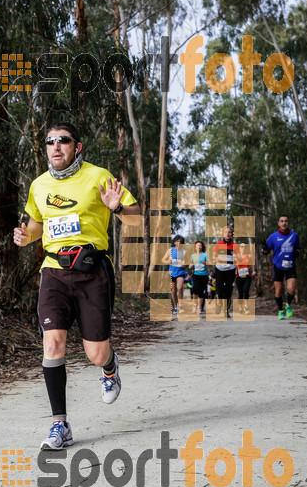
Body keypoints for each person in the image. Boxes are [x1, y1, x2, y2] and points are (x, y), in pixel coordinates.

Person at [13, 121, 140, 450]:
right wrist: (26, 236)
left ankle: (109, 368)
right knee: (52, 346)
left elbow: (137, 217)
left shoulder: (99, 176)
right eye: (50, 142)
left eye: (63, 141)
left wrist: (116, 207)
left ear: (77, 146)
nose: (56, 147)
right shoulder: (39, 186)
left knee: (95, 353)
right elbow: (36, 226)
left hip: (92, 271)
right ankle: (60, 424)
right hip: (53, 271)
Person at [262, 215, 301, 319]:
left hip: (291, 266)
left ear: (288, 223)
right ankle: (280, 310)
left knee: (291, 289)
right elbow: (265, 252)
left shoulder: (294, 235)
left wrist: (297, 253)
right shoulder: (273, 236)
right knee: (278, 291)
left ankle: (288, 305)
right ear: (279, 223)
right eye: (282, 221)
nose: (284, 223)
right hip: (278, 266)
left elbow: (298, 249)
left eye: (286, 221)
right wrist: (264, 248)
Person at [212, 225, 239, 318]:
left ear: (232, 234)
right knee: (220, 290)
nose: (228, 234)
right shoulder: (218, 244)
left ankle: (226, 310)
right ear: (223, 234)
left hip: (230, 270)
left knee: (228, 291)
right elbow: (214, 256)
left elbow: (238, 257)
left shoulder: (235, 245)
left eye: (229, 232)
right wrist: (217, 259)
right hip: (220, 269)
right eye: (226, 232)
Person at [163, 235, 188, 314]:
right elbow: (163, 259)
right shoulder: (170, 250)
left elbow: (188, 261)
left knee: (180, 287)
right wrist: (168, 262)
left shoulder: (184, 252)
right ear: (174, 242)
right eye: (177, 241)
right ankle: (175, 306)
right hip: (171, 272)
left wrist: (185, 264)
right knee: (173, 291)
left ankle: (180, 305)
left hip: (180, 272)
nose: (179, 243)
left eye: (180, 242)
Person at [189, 240, 209, 315]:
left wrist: (206, 263)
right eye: (197, 245)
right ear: (195, 247)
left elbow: (210, 265)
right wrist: (190, 266)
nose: (199, 247)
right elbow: (190, 265)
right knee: (195, 290)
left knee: (201, 292)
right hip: (196, 275)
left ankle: (199, 308)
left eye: (200, 245)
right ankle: (195, 305)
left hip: (204, 275)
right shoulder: (193, 256)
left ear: (202, 247)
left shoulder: (205, 255)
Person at [235, 242, 255, 313]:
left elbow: (252, 263)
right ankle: (240, 307)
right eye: (241, 247)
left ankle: (246, 306)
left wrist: (253, 271)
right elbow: (234, 266)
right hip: (239, 277)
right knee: (240, 293)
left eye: (244, 247)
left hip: (247, 277)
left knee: (246, 291)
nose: (243, 248)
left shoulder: (249, 256)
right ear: (239, 248)